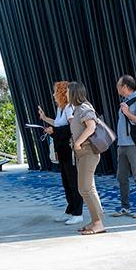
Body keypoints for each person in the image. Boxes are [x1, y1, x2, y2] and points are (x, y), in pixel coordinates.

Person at [37, 81, 84, 226]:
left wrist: (54, 131)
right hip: (62, 148)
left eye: (55, 91)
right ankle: (70, 209)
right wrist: (45, 119)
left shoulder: (70, 108)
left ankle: (78, 213)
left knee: (73, 181)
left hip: (69, 149)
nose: (53, 94)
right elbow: (58, 124)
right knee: (66, 181)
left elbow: (72, 127)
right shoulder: (61, 108)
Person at [66, 81, 106, 236]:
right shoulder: (77, 109)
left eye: (68, 92)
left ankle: (98, 223)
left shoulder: (84, 107)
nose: (66, 95)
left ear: (74, 93)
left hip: (88, 152)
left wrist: (78, 142)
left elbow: (91, 126)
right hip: (83, 154)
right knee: (88, 188)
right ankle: (96, 220)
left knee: (85, 188)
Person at [111, 75, 136, 218]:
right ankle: (125, 207)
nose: (117, 88)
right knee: (121, 177)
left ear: (125, 87)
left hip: (134, 145)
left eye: (118, 85)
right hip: (122, 145)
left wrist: (128, 113)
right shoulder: (125, 101)